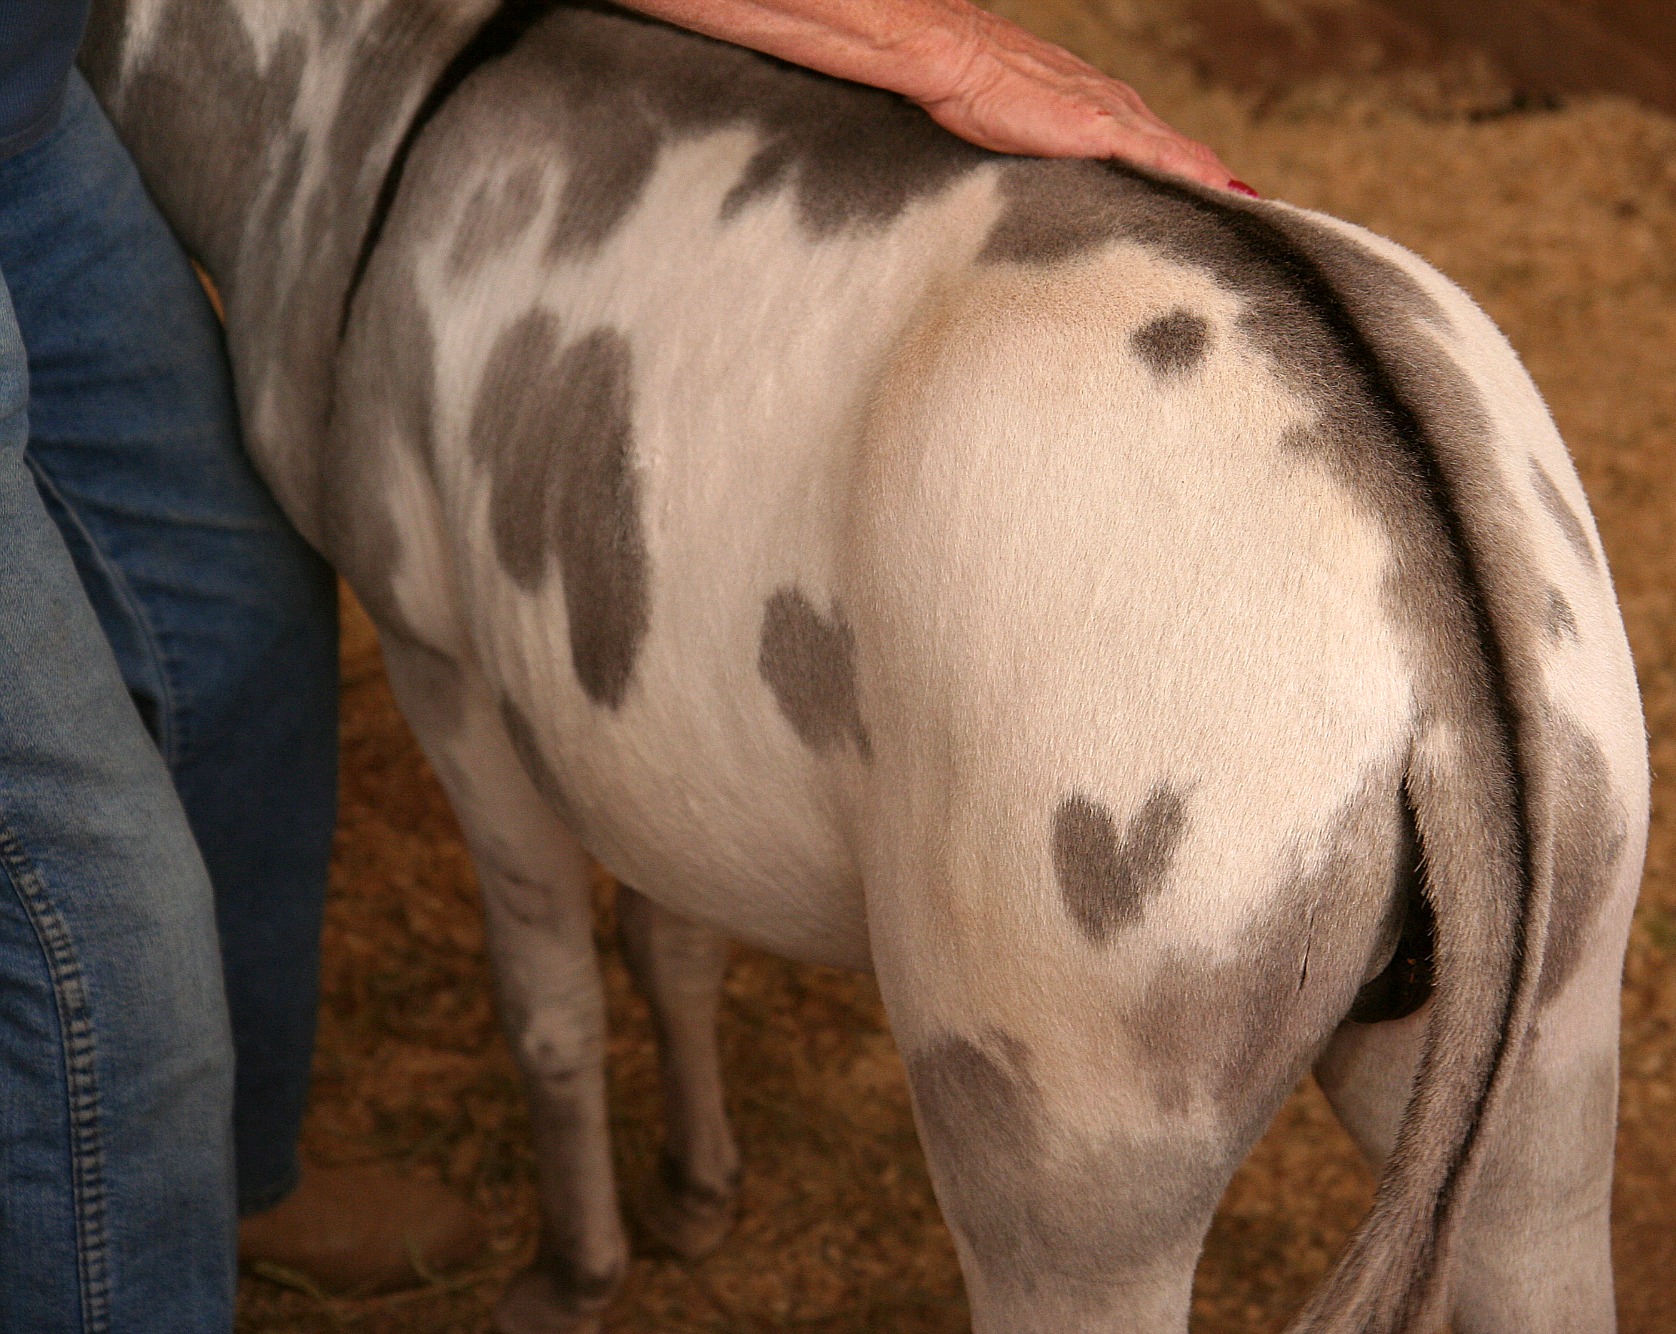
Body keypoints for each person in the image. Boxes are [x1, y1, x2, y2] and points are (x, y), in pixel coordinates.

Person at [0, 0, 1240, 1328]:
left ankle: (224, 1165)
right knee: (99, 908)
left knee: (227, 615)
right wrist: (944, 51)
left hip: (24, 109)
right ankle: (119, 1222)